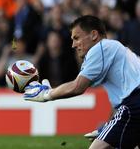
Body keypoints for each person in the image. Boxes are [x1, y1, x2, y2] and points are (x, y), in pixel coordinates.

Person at [23, 15, 140, 149]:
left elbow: (77, 86)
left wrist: (47, 94)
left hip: (135, 105)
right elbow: (120, 101)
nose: (73, 45)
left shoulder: (100, 48)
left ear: (94, 35)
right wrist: (109, 126)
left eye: (76, 38)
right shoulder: (115, 51)